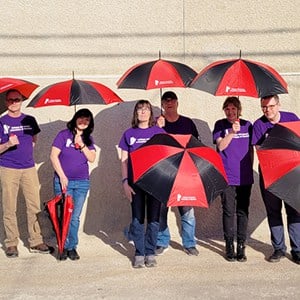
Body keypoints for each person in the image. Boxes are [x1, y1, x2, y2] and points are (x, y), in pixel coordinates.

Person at [0, 89, 50, 258]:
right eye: (11, 100)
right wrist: (7, 144)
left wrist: (27, 152)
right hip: (8, 168)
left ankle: (35, 241)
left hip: (28, 168)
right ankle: (11, 243)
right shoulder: (2, 122)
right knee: (9, 207)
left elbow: (33, 139)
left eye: (17, 99)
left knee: (34, 205)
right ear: (6, 102)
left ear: (22, 101)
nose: (14, 102)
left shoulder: (30, 120)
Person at [252, 94, 300, 264]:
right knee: (273, 212)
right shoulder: (258, 125)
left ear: (278, 105)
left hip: (291, 174)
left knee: (294, 211)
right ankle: (278, 249)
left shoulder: (291, 118)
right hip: (269, 174)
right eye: (264, 107)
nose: (267, 110)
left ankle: (297, 250)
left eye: (271, 106)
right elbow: (260, 152)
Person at [119, 100, 165, 268]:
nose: (143, 112)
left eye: (146, 109)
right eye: (140, 109)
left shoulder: (158, 132)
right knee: (137, 219)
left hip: (155, 183)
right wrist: (125, 183)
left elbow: (167, 156)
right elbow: (124, 161)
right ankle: (139, 253)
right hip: (135, 183)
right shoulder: (128, 134)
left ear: (150, 113)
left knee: (153, 219)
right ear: (136, 113)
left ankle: (150, 252)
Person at [156, 91, 200, 256]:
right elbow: (153, 147)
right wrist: (157, 129)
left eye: (172, 99)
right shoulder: (157, 124)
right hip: (163, 173)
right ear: (162, 104)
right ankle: (162, 242)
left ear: (177, 102)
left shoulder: (187, 123)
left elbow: (197, 145)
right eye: (166, 100)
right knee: (161, 210)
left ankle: (189, 243)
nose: (169, 102)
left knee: (187, 211)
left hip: (184, 173)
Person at [50, 108, 96, 260]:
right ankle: (62, 246)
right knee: (64, 215)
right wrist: (62, 176)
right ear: (75, 118)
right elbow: (53, 156)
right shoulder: (63, 135)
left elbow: (92, 158)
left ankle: (72, 247)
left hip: (82, 183)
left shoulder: (89, 139)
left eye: (87, 120)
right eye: (81, 118)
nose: (83, 122)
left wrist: (82, 144)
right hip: (64, 182)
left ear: (90, 123)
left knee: (75, 217)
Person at [213, 97, 253, 262]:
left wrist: (249, 168)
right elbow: (220, 147)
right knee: (228, 211)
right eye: (227, 109)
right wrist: (231, 133)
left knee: (243, 211)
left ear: (238, 110)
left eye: (233, 109)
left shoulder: (247, 125)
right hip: (227, 176)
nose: (230, 112)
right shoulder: (220, 125)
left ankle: (241, 246)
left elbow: (251, 150)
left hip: (244, 176)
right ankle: (229, 245)